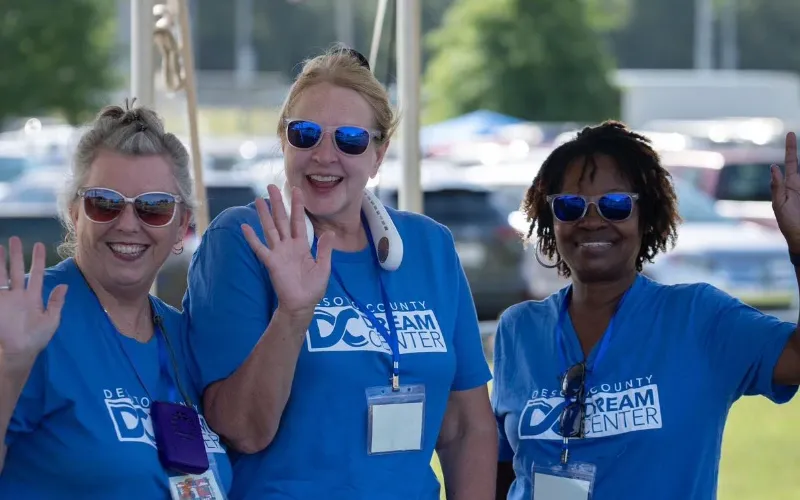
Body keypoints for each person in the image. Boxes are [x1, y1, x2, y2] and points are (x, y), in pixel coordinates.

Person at [184, 46, 498, 500]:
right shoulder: (245, 238)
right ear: (284, 140)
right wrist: (292, 314)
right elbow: (243, 431)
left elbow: (467, 425)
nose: (323, 156)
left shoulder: (429, 246)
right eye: (305, 134)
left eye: (349, 139)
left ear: (379, 153)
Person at [492, 121, 800, 500]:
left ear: (646, 216)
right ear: (549, 219)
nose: (591, 221)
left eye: (615, 205)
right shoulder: (519, 329)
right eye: (570, 206)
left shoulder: (698, 318)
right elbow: (501, 467)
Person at [0, 103, 233, 498]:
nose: (128, 223)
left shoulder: (183, 336)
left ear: (182, 227)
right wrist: (9, 368)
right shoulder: (25, 314)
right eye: (104, 203)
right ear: (76, 214)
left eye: (154, 207)